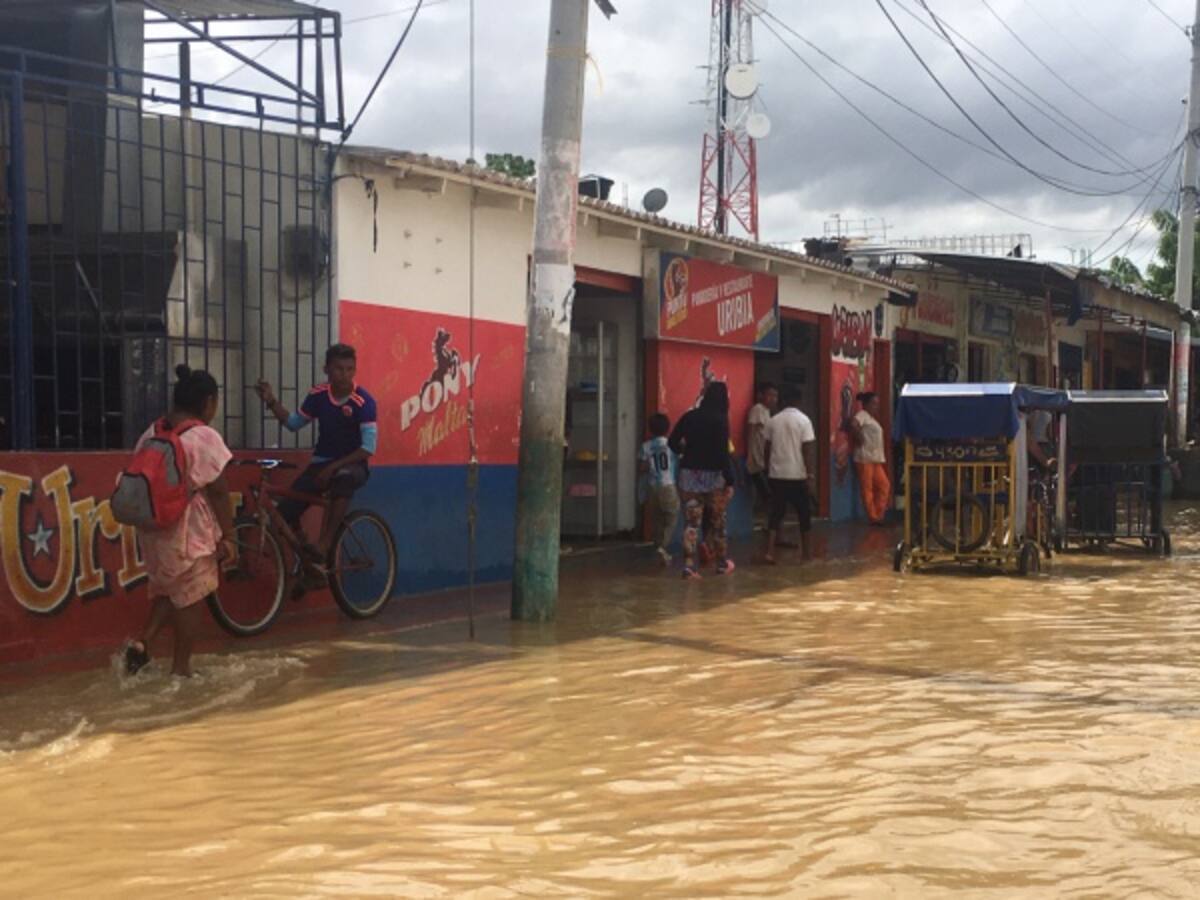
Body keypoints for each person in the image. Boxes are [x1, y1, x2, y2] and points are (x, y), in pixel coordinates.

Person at [124, 366, 235, 677]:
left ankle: (142, 644)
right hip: (187, 530)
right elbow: (220, 491)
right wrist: (228, 535)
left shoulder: (152, 432)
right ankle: (181, 671)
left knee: (169, 588)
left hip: (152, 529)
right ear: (208, 401)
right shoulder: (204, 436)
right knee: (191, 595)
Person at [255, 344, 378, 563]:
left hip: (353, 465)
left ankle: (325, 544)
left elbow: (368, 448)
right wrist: (271, 401)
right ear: (326, 370)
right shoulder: (318, 395)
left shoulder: (363, 402)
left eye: (350, 369)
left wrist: (333, 467)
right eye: (339, 369)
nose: (345, 375)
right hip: (320, 464)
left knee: (343, 479)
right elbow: (293, 424)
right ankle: (307, 554)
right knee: (285, 512)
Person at [669, 381, 736, 579]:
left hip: (689, 476)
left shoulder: (690, 416)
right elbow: (723, 453)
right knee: (718, 523)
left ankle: (689, 567)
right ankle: (722, 564)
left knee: (691, 524)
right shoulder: (721, 420)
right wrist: (730, 480)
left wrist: (685, 453)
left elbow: (672, 442)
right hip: (714, 477)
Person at [763, 389, 816, 564]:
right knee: (804, 514)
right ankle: (807, 555)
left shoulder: (772, 421)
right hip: (797, 475)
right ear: (799, 401)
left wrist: (768, 468)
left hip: (776, 474)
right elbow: (808, 450)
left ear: (782, 402)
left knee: (776, 513)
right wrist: (810, 475)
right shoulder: (804, 421)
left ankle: (769, 552)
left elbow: (767, 449)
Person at [640, 412, 680, 566]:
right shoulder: (672, 445)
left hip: (653, 487)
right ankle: (662, 547)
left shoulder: (646, 446)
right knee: (671, 517)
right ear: (668, 429)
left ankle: (658, 546)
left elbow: (642, 467)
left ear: (650, 429)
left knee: (656, 519)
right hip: (668, 485)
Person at [850, 391, 890, 525]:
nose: (876, 406)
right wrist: (859, 437)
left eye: (877, 404)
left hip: (875, 458)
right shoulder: (862, 415)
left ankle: (879, 514)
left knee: (884, 485)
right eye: (873, 403)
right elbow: (853, 424)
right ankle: (873, 517)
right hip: (864, 457)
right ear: (866, 404)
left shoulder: (872, 419)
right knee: (867, 488)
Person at [746, 382, 778, 517]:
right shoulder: (758, 409)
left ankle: (766, 521)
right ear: (760, 395)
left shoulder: (767, 412)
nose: (773, 399)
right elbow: (750, 431)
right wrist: (749, 455)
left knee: (766, 494)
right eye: (770, 395)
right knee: (767, 494)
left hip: (763, 460)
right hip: (756, 460)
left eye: (775, 396)